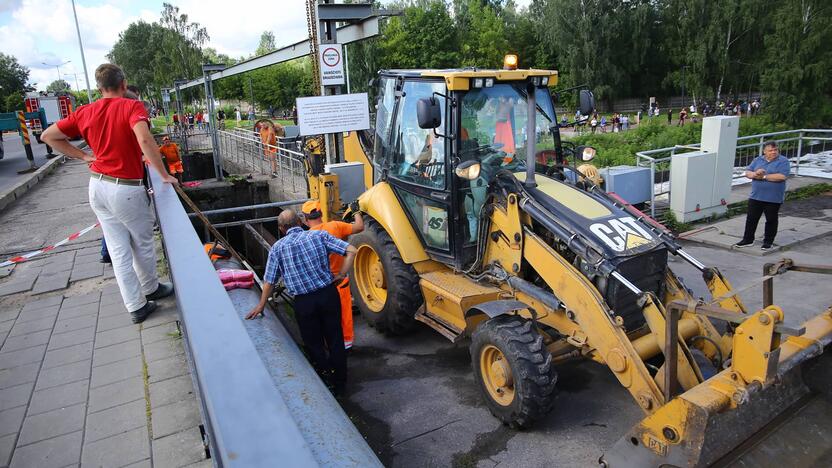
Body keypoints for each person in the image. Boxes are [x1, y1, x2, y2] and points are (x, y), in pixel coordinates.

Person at [41, 63, 177, 323]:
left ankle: (136, 306)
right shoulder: (131, 107)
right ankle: (151, 288)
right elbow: (145, 140)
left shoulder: (85, 111)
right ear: (123, 84)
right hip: (125, 187)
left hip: (97, 186)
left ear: (99, 87)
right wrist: (163, 175)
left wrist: (83, 156)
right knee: (142, 243)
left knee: (117, 249)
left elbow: (48, 135)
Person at [246, 210, 357, 395]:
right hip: (328, 295)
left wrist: (261, 305)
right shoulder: (319, 236)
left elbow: (269, 281)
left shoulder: (278, 249)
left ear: (281, 229)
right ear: (300, 222)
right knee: (335, 339)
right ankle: (340, 383)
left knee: (314, 343)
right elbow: (351, 250)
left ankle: (325, 379)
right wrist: (340, 275)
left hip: (304, 303)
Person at [301, 200, 364, 350]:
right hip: (340, 281)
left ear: (305, 219)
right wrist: (356, 212)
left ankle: (327, 346)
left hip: (321, 285)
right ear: (321, 214)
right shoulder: (335, 226)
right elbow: (359, 227)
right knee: (345, 316)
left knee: (325, 319)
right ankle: (347, 344)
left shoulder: (306, 237)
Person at [734, 142, 790, 250]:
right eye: (770, 150)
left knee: (771, 220)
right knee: (751, 219)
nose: (774, 152)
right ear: (764, 151)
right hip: (756, 196)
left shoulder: (783, 161)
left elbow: (782, 176)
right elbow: (748, 173)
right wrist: (755, 174)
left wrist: (763, 176)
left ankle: (768, 241)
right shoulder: (758, 160)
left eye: (775, 150)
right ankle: (748, 239)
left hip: (773, 198)